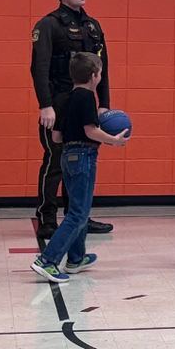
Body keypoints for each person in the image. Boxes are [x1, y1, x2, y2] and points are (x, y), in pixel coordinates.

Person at [30, 53, 129, 283]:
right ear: (94, 76)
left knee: (76, 210)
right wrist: (114, 140)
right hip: (84, 156)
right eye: (100, 73)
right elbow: (90, 131)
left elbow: (56, 136)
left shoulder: (64, 98)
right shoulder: (86, 98)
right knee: (78, 213)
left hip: (66, 156)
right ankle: (48, 260)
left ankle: (75, 258)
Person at [31, 0, 115, 239]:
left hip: (84, 101)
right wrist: (46, 105)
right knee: (55, 161)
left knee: (80, 161)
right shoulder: (49, 24)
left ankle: (78, 216)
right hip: (58, 101)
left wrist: (104, 104)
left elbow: (102, 67)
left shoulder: (93, 26)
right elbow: (39, 68)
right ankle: (46, 216)